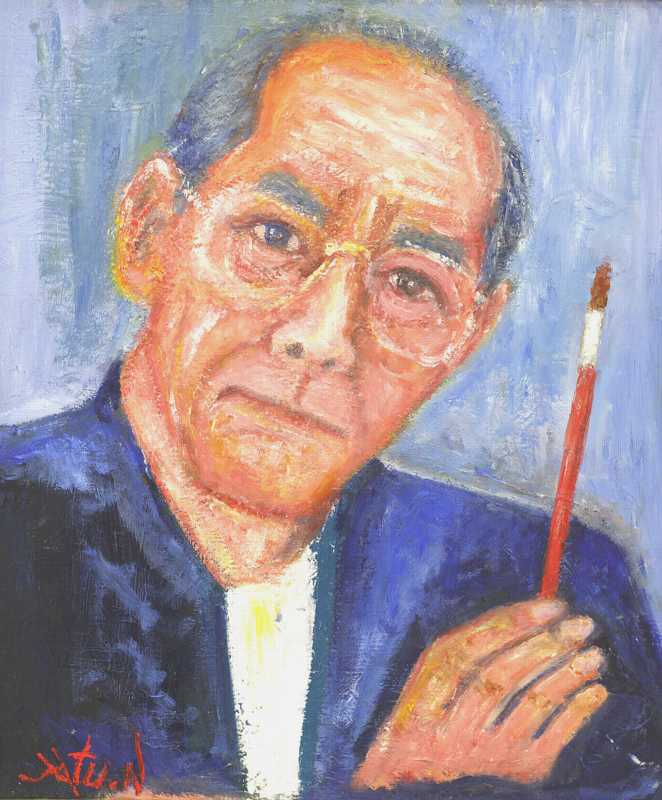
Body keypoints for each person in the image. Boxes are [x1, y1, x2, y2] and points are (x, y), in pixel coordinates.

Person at [1, 13, 661, 800]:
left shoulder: (548, 596)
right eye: (275, 235)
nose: (324, 337)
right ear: (149, 228)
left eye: (411, 283)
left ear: (470, 334)